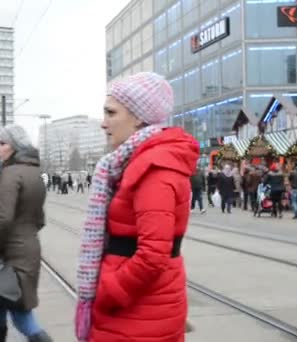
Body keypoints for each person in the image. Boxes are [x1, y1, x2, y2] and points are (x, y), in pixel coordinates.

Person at [76, 72, 197, 341]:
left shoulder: (154, 167)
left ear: (139, 116)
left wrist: (110, 290)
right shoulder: (134, 162)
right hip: (139, 307)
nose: (103, 123)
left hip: (136, 309)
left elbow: (154, 254)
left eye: (111, 113)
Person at [0, 124, 52, 342]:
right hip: (28, 249)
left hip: (9, 255)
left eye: (2, 143)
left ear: (14, 147)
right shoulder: (34, 173)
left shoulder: (10, 174)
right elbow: (39, 219)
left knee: (22, 317)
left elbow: (3, 219)